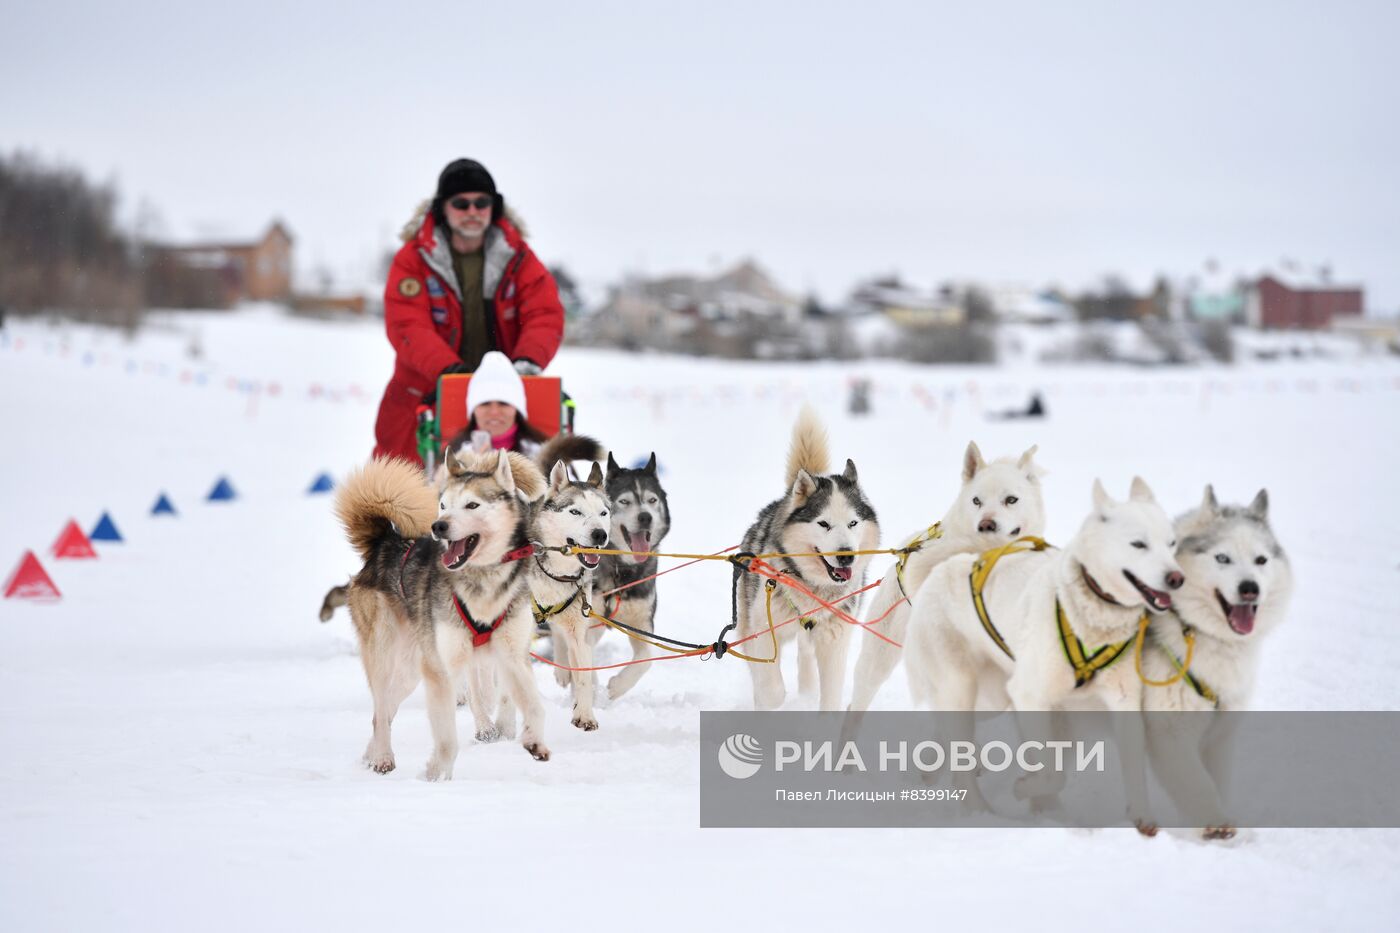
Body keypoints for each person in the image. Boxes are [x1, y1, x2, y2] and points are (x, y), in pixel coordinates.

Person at [372, 158, 565, 464]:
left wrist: (527, 362)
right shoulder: (414, 259)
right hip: (425, 391)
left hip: (501, 395)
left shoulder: (519, 257)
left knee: (515, 492)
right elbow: (407, 324)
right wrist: (450, 372)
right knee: (400, 493)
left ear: (494, 207)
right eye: (461, 203)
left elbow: (544, 313)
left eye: (481, 202)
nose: (472, 211)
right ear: (442, 208)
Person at [442, 350, 547, 458]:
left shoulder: (542, 457)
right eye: (485, 403)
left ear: (517, 409)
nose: (494, 411)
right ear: (473, 410)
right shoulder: (452, 459)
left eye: (504, 403)